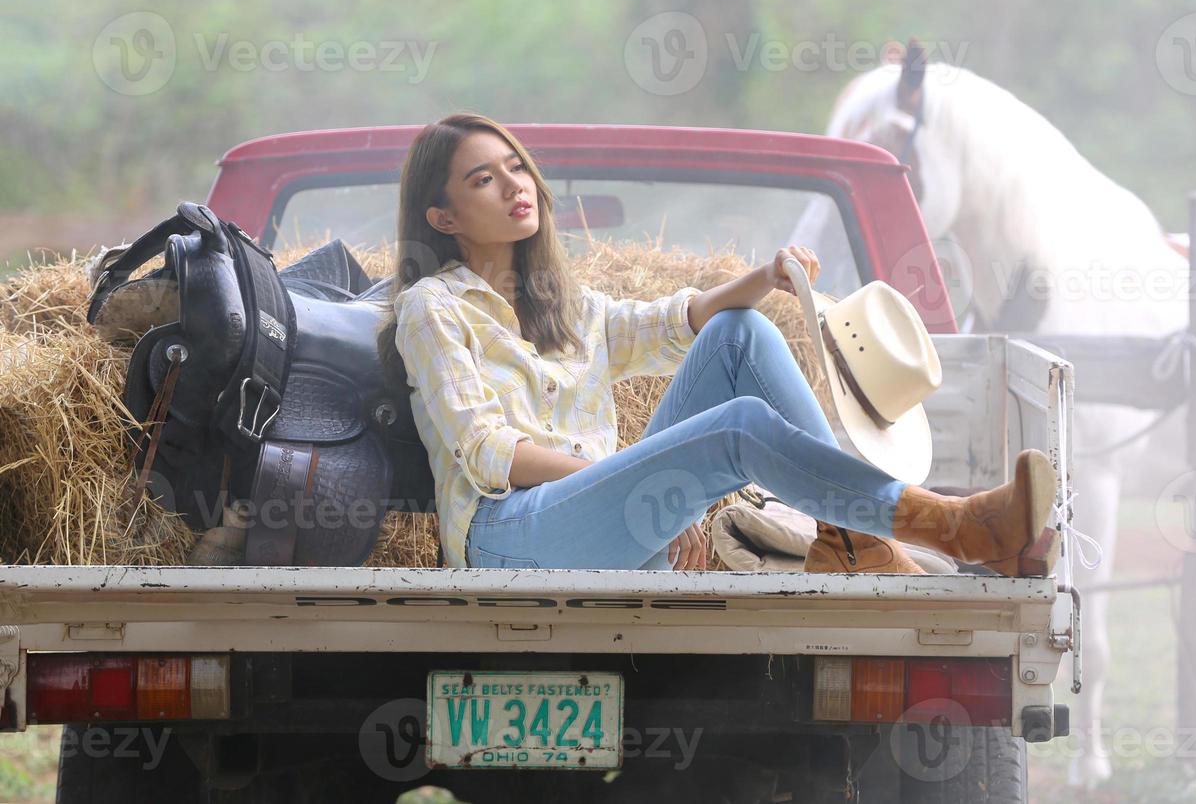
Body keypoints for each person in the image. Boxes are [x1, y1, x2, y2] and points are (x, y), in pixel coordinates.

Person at [379, 112, 1058, 574]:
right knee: (736, 430)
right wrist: (632, 483)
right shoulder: (431, 309)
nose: (513, 185)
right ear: (443, 217)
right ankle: (951, 527)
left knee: (741, 331)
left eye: (515, 167)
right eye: (483, 180)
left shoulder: (563, 304)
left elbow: (675, 322)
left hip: (597, 521)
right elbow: (484, 452)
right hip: (510, 536)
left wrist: (765, 277)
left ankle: (853, 540)